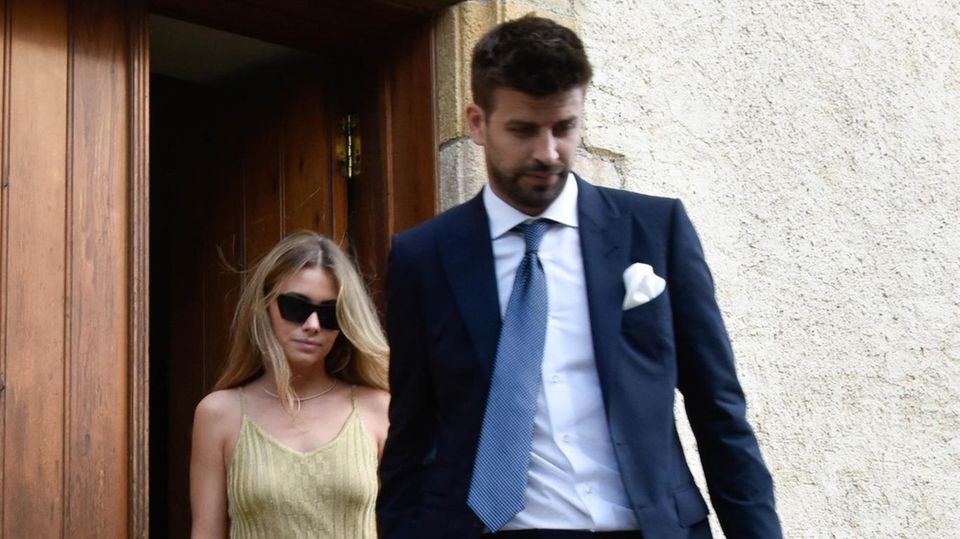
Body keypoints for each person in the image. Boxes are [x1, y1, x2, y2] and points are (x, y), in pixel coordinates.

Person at [377, 15, 782, 539]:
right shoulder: (422, 258)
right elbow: (410, 438)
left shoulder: (656, 231)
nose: (547, 152)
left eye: (564, 128)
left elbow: (719, 412)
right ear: (477, 123)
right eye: (523, 130)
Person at [190, 231, 390, 539]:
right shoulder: (219, 415)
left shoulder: (378, 409)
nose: (312, 325)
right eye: (296, 307)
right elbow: (206, 532)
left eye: (329, 314)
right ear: (264, 305)